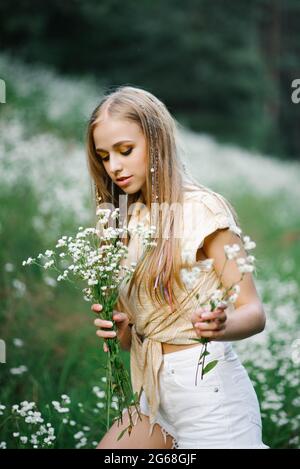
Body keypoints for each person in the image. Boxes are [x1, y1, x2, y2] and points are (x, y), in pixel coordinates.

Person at [86, 85, 269, 449]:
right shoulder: (119, 220)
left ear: (157, 142)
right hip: (153, 396)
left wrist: (223, 325)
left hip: (211, 400)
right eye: (104, 156)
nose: (115, 166)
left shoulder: (203, 210)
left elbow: (254, 312)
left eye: (125, 151)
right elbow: (129, 341)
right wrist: (119, 328)